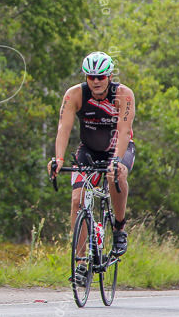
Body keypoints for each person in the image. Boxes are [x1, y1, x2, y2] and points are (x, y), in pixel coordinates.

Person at [47, 52, 135, 284]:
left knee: (116, 174)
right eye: (91, 77)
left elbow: (125, 131)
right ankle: (81, 263)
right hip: (88, 150)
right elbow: (63, 129)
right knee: (77, 201)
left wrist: (116, 160)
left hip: (118, 147)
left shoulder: (123, 95)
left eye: (101, 77)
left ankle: (118, 228)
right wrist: (58, 159)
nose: (96, 81)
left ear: (109, 76)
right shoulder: (74, 94)